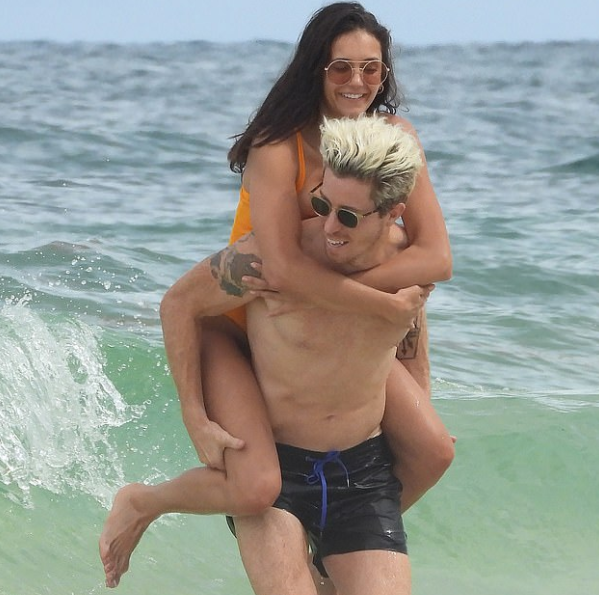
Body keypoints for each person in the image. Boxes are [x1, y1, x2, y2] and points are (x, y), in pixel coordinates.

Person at [100, 2, 454, 588]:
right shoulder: (276, 144)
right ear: (315, 68)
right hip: (246, 316)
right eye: (342, 68)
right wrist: (374, 303)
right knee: (257, 483)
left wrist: (403, 343)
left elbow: (428, 261)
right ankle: (145, 501)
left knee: (434, 448)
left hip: (313, 312)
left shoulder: (391, 142)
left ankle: (333, 541)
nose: (358, 83)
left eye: (372, 69)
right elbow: (283, 268)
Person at [177, 115, 431, 594]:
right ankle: (143, 503)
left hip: (362, 475)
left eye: (349, 216)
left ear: (392, 213)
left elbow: (410, 334)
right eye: (321, 204)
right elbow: (179, 305)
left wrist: (421, 400)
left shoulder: (406, 265)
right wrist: (196, 415)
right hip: (278, 473)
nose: (329, 226)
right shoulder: (269, 262)